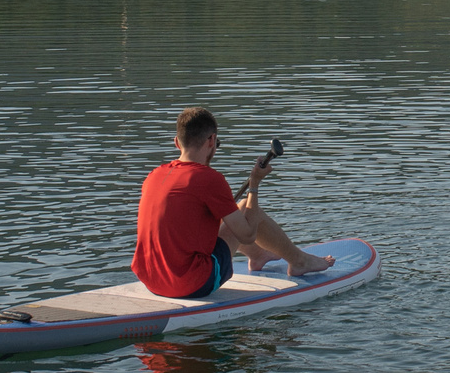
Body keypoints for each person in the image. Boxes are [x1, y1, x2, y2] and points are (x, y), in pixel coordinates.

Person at [132, 106, 329, 299]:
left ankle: (258, 256)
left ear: (177, 142)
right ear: (212, 140)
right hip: (193, 284)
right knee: (245, 211)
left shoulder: (154, 176)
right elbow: (248, 235)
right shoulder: (209, 179)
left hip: (151, 282)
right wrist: (254, 183)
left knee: (224, 214)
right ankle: (299, 261)